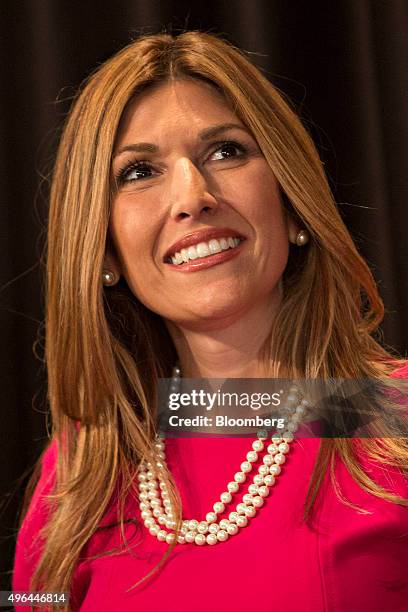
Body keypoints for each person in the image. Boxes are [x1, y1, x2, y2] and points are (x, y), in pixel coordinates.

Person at [13, 31, 408, 612]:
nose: (192, 196)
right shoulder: (79, 470)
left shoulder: (391, 412)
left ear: (293, 203)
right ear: (104, 253)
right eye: (137, 172)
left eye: (226, 152)